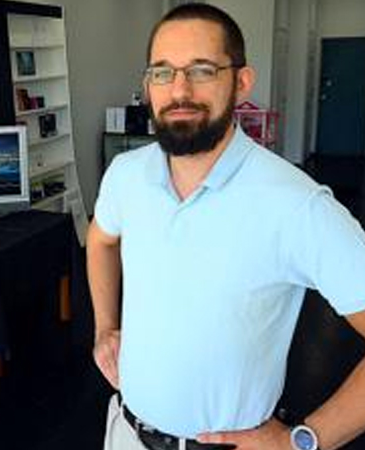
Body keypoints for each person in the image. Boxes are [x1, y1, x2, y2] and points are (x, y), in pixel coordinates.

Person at [88, 4, 365, 450]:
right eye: (162, 72)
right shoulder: (126, 173)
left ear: (241, 82)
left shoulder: (296, 205)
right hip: (126, 431)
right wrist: (105, 327)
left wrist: (303, 441)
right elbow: (100, 240)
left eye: (201, 70)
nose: (179, 90)